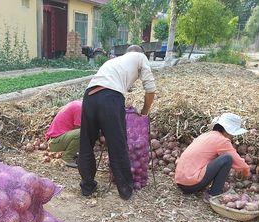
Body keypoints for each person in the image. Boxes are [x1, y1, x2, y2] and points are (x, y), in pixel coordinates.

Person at [78, 45, 156, 199]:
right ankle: (125, 190)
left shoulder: (113, 62)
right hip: (111, 97)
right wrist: (145, 111)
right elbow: (150, 89)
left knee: (86, 143)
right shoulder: (140, 57)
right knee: (117, 144)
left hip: (89, 96)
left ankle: (87, 186)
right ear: (139, 53)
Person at [175, 113, 250, 199]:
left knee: (223, 158)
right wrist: (246, 172)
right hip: (190, 184)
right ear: (227, 131)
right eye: (232, 134)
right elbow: (239, 163)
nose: (232, 137)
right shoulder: (222, 141)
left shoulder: (206, 135)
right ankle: (214, 193)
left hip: (180, 181)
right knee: (227, 158)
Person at [45, 100, 82, 168]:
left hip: (56, 140)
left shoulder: (77, 104)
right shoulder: (79, 108)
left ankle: (69, 154)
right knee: (82, 133)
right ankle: (67, 158)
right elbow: (78, 129)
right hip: (55, 142)